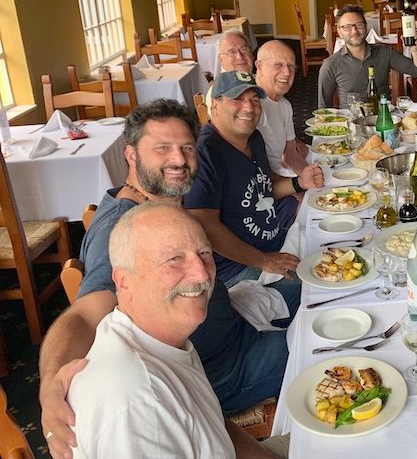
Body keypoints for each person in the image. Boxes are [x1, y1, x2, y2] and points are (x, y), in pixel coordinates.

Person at [39, 100, 292, 459]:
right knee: (330, 341)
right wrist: (50, 385)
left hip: (222, 333)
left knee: (317, 290)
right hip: (225, 367)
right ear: (130, 155)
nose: (178, 159)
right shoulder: (125, 229)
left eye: (186, 147)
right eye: (162, 148)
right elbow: (83, 315)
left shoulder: (159, 204)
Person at [68, 205, 285, 458]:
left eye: (204, 253)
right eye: (174, 259)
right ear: (124, 280)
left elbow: (210, 424)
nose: (201, 273)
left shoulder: (161, 337)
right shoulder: (138, 403)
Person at [184, 70, 323, 288]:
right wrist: (264, 260)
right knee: (315, 281)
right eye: (237, 99)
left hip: (274, 240)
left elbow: (263, 190)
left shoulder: (254, 137)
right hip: (237, 267)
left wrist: (299, 183)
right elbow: (204, 226)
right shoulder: (205, 153)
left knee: (329, 242)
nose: (249, 108)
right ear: (215, 106)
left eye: (255, 100)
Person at [317, 4, 417, 107]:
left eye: (359, 25)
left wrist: (414, 50)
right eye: (347, 27)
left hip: (383, 117)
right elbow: (323, 107)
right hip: (351, 118)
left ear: (366, 27)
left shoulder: (384, 53)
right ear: (339, 32)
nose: (354, 31)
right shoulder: (331, 64)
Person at [255, 40, 309, 177]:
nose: (287, 73)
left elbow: (290, 155)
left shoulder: (285, 105)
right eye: (278, 65)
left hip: (283, 175)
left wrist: (308, 175)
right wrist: (296, 185)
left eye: (291, 66)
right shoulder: (252, 106)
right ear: (259, 67)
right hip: (266, 183)